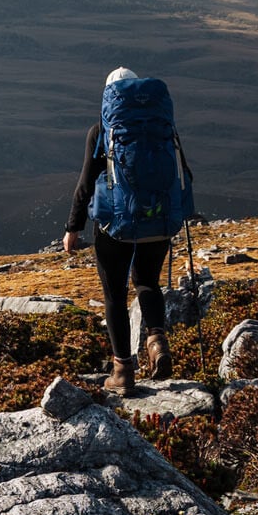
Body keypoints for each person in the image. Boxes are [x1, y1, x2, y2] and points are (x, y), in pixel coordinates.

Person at [64, 67, 189, 396]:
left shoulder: (101, 132)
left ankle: (123, 371)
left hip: (114, 225)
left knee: (115, 296)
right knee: (147, 280)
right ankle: (157, 340)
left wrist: (73, 228)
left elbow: (85, 185)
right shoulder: (161, 127)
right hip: (159, 220)